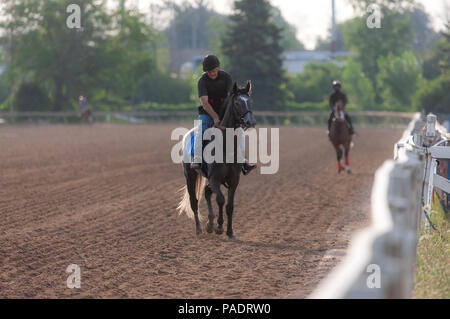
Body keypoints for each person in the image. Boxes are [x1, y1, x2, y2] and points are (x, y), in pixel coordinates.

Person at [191, 55, 256, 175]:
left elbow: (230, 98)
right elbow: (204, 102)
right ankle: (197, 158)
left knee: (239, 131)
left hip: (224, 113)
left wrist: (225, 116)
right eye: (209, 71)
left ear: (218, 67)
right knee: (201, 130)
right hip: (207, 113)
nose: (211, 73)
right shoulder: (202, 81)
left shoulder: (226, 77)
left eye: (214, 70)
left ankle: (243, 161)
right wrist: (215, 117)